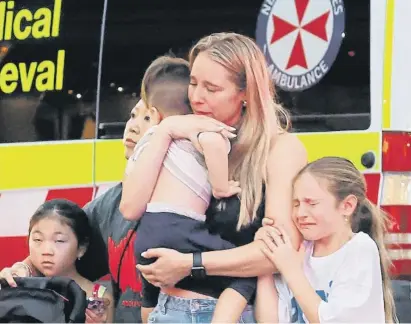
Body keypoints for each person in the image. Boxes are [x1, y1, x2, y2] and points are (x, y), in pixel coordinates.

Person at [0, 55, 236, 323]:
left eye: (147, 117)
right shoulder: (111, 202)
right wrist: (24, 268)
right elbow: (64, 240)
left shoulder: (204, 196)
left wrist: (190, 264)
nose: (133, 125)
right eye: (133, 115)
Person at [122, 32, 307, 322]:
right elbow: (130, 208)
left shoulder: (279, 150)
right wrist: (166, 130)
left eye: (212, 88)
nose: (196, 97)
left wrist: (190, 264)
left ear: (246, 94)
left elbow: (277, 254)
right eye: (193, 83)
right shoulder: (181, 137)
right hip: (168, 309)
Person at [121, 55, 256, 323]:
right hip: (181, 231)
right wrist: (221, 186)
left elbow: (130, 206)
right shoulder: (197, 128)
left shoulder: (148, 140)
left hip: (148, 238)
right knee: (246, 273)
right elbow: (215, 145)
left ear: (155, 113)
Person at [254, 157, 396, 323]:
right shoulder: (298, 251)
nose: (300, 213)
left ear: (347, 206)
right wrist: (266, 256)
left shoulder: (359, 249)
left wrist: (291, 270)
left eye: (311, 203)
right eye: (296, 204)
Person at [20, 199, 114, 323]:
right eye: (38, 240)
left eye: (59, 241)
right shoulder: (21, 288)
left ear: (81, 248)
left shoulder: (99, 298)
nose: (46, 251)